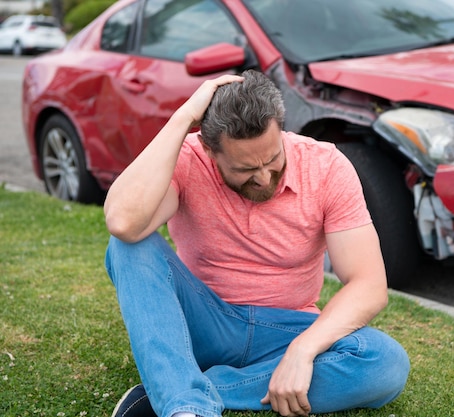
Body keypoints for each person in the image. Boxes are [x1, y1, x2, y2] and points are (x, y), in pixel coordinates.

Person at [104, 69, 410, 417]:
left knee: (384, 362)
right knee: (128, 246)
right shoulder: (189, 157)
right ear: (209, 148)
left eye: (272, 159)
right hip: (204, 325)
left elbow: (368, 286)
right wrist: (183, 117)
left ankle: (178, 392)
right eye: (245, 169)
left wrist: (302, 351)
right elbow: (123, 223)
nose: (264, 177)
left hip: (284, 330)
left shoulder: (326, 167)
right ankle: (186, 408)